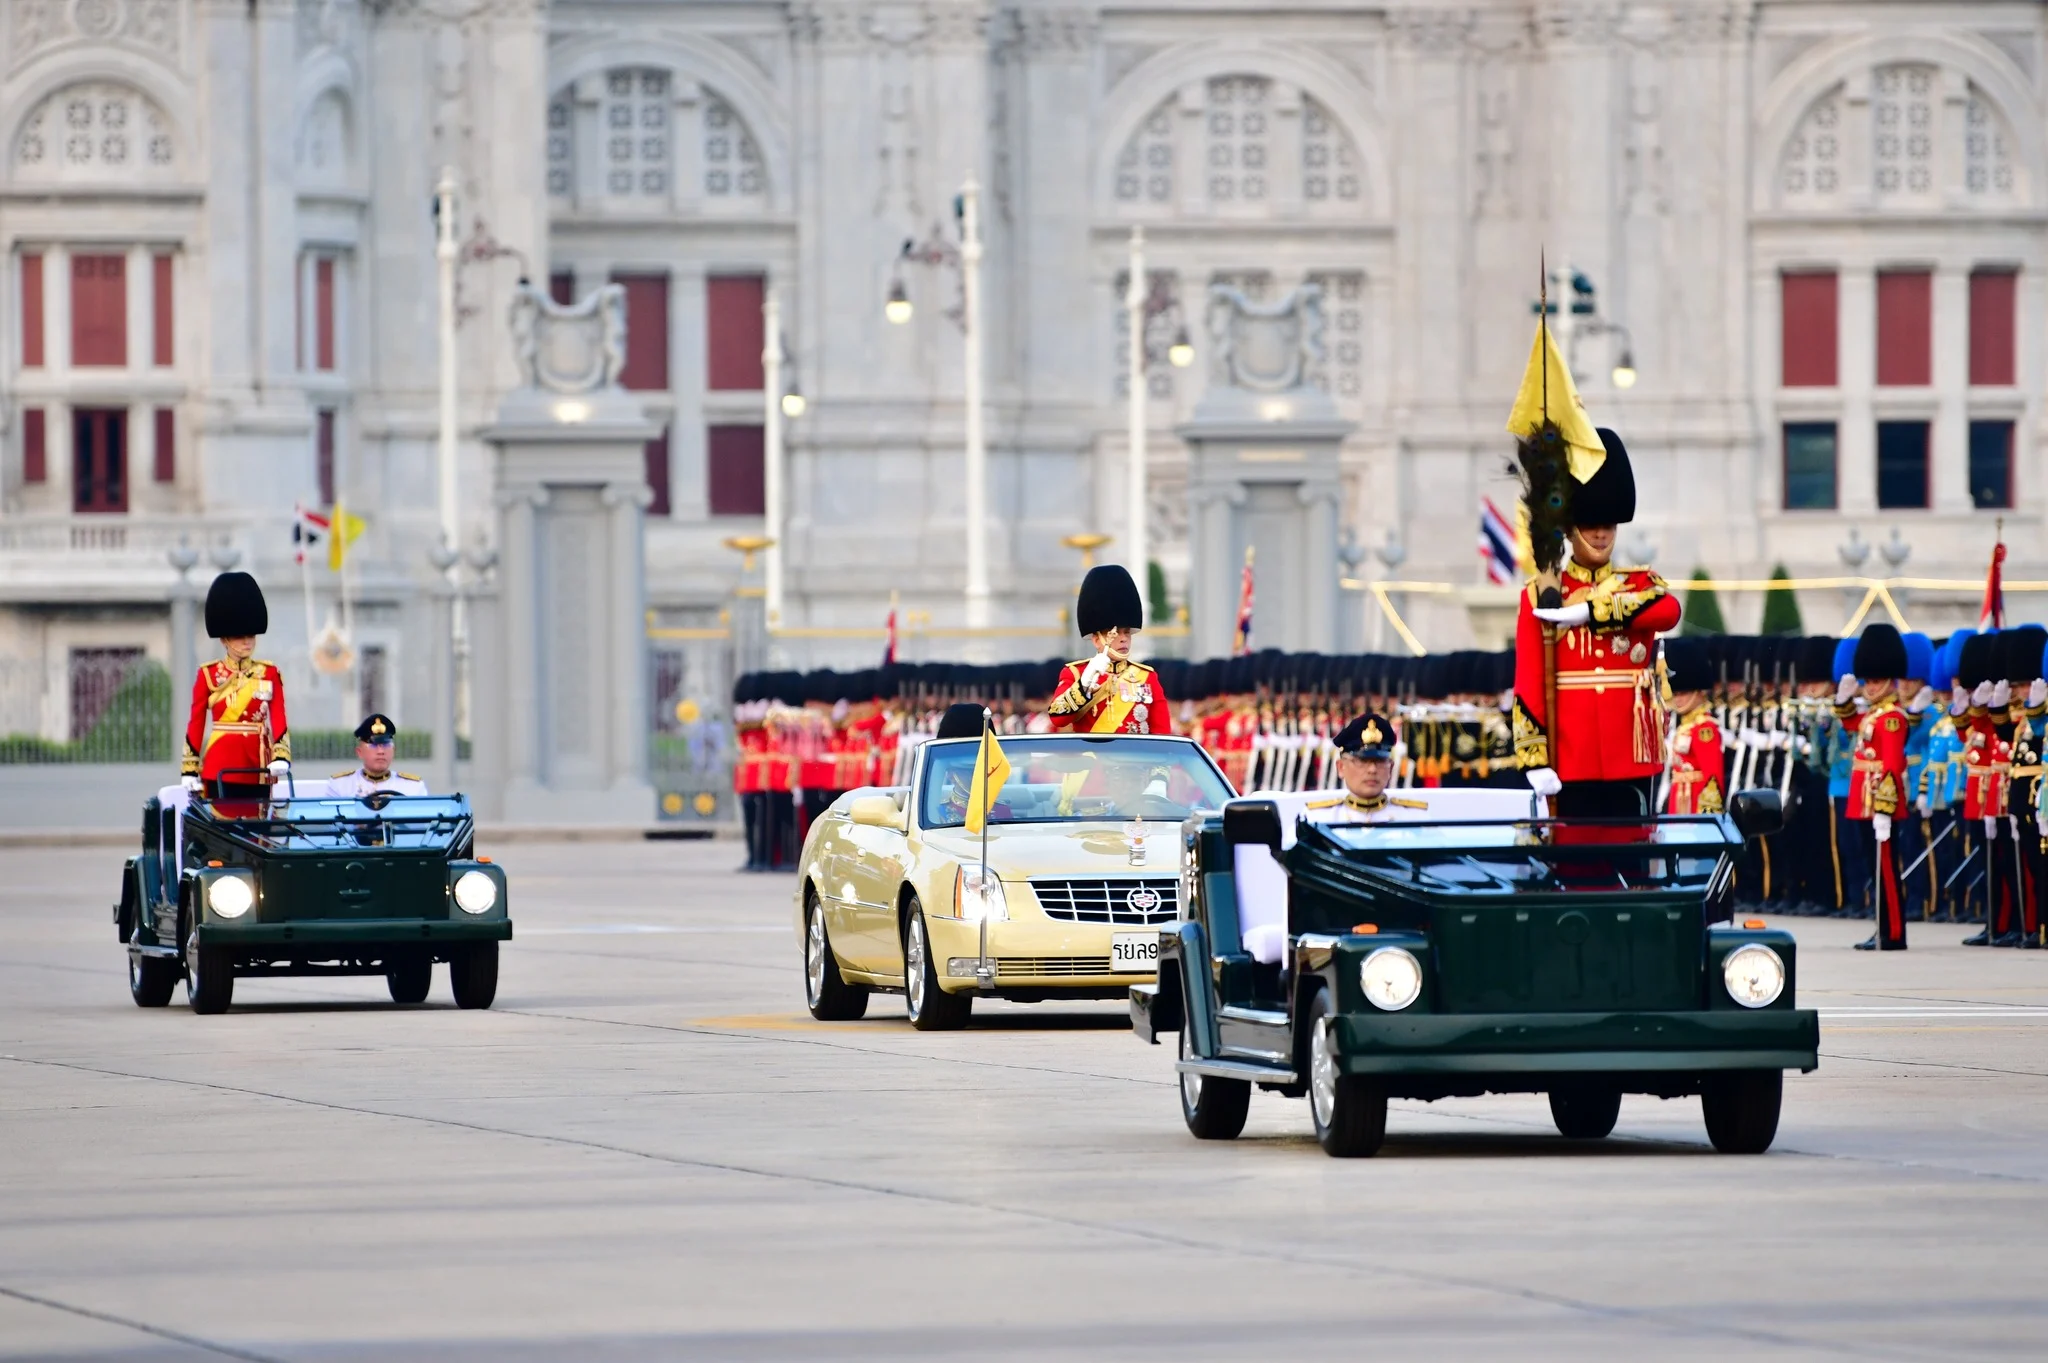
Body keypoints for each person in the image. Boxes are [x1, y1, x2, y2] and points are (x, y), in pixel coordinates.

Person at [1513, 428, 1682, 818]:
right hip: (1571, 755)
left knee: (1634, 865)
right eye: (1590, 523)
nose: (1601, 532)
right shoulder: (1541, 595)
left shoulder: (1639, 585)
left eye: (1607, 523)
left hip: (1631, 753)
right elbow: (1529, 682)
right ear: (1570, 528)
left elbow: (1668, 611)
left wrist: (1592, 613)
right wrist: (1533, 758)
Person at [181, 572, 291, 802]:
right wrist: (189, 767)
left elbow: (279, 717)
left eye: (250, 635)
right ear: (225, 640)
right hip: (220, 763)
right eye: (239, 636)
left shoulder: (269, 673)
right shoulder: (208, 674)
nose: (247, 642)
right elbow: (196, 721)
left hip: (258, 763)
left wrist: (281, 756)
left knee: (258, 829)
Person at [1838, 623, 1912, 951]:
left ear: (1890, 680)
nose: (1870, 687)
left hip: (1880, 801)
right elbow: (1853, 724)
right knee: (1874, 867)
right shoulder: (1874, 715)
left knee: (1886, 870)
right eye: (1868, 681)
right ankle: (1882, 927)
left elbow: (1893, 764)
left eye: (1877, 681)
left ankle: (1893, 932)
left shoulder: (1892, 717)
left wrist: (1885, 807)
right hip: (1865, 800)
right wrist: (1843, 703)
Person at [1048, 564, 1172, 735]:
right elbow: (1057, 718)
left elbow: (1162, 735)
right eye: (1114, 633)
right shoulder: (1076, 673)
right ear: (1097, 640)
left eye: (1126, 632)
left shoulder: (1147, 678)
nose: (1123, 638)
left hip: (1135, 762)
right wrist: (1084, 684)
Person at [1662, 638, 1724, 816]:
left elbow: (1713, 776)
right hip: (1679, 797)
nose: (1678, 699)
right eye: (1676, 693)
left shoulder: (1705, 728)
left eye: (1684, 693)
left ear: (1699, 692)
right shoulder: (1686, 725)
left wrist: (1708, 814)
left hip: (1695, 801)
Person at [328, 714, 430, 798]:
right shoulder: (340, 785)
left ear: (393, 751)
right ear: (359, 752)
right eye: (373, 745)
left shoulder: (413, 787)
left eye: (386, 745)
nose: (381, 751)